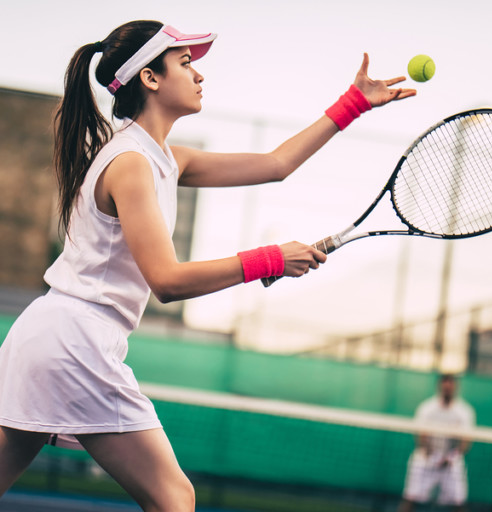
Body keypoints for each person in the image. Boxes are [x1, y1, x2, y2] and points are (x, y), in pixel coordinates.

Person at [0, 20, 415, 512]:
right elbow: (167, 282)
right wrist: (271, 259)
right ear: (150, 79)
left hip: (46, 336)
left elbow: (275, 165)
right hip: (75, 341)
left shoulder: (165, 158)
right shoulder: (130, 163)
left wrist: (353, 103)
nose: (199, 75)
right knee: (175, 498)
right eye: (185, 63)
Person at [399, 374, 476, 512]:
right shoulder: (426, 408)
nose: (447, 389)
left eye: (450, 385)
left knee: (459, 502)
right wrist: (433, 456)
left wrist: (451, 457)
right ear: (439, 386)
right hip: (425, 460)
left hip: (452, 462)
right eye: (445, 385)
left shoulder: (465, 411)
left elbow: (466, 441)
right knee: (409, 498)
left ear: (455, 387)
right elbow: (421, 437)